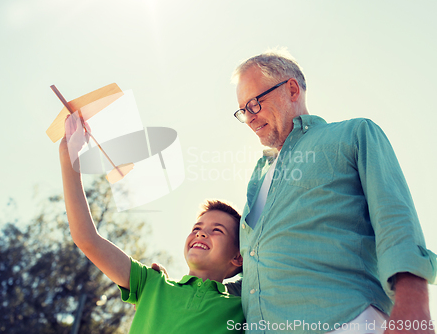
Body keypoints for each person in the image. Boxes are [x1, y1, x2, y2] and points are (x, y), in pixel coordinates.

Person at [232, 49, 436, 333]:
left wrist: (414, 306)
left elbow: (395, 219)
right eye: (243, 111)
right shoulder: (259, 174)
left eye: (254, 104)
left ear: (291, 89)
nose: (250, 118)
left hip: (347, 322)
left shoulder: (353, 135)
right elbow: (259, 266)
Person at [59, 115, 245, 334]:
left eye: (217, 230)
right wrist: (69, 159)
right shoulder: (151, 284)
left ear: (238, 257)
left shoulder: (244, 309)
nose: (201, 234)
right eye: (196, 228)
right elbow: (86, 238)